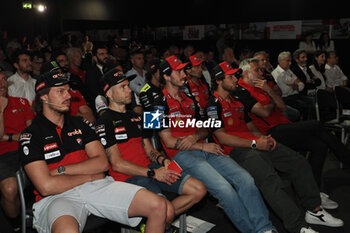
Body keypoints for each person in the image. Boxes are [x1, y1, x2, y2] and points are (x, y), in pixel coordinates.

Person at [18, 67, 168, 233]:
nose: (68, 96)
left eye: (68, 91)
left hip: (97, 186)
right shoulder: (31, 135)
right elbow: (46, 186)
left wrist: (61, 171)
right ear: (44, 97)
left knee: (159, 206)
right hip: (58, 197)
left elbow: (102, 163)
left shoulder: (81, 123)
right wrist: (89, 176)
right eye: (61, 91)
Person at [206, 61, 343, 233]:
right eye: (231, 76)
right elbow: (221, 136)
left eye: (236, 75)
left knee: (298, 162)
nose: (236, 78)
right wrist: (255, 143)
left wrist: (263, 138)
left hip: (254, 143)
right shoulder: (212, 105)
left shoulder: (236, 100)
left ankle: (314, 210)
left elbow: (250, 127)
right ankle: (297, 226)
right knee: (270, 179)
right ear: (219, 80)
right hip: (235, 151)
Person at [154, 55, 277, 233]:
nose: (183, 74)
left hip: (205, 148)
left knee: (246, 180)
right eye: (178, 71)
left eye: (183, 70)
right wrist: (201, 145)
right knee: (225, 189)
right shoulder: (156, 104)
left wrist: (196, 136)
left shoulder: (189, 99)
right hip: (181, 156)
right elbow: (168, 141)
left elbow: (208, 127)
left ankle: (265, 228)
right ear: (166, 76)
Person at [96, 68, 206, 226]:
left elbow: (149, 149)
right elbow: (117, 164)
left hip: (151, 168)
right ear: (110, 94)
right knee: (164, 210)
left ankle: (152, 223)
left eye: (128, 85)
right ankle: (158, 221)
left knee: (199, 189)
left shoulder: (136, 116)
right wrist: (153, 173)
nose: (129, 90)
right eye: (123, 87)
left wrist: (163, 161)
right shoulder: (104, 121)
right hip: (128, 177)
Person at [236, 58, 350, 196]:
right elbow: (265, 112)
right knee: (316, 124)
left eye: (261, 69)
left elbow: (282, 107)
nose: (261, 73)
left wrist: (269, 91)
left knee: (319, 145)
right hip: (270, 132)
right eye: (257, 70)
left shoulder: (261, 87)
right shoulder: (242, 90)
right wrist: (272, 101)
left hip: (283, 126)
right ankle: (346, 159)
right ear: (246, 73)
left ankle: (314, 190)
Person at [0, 72, 35, 232]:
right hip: (3, 155)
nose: (2, 82)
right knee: (10, 189)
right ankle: (16, 225)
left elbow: (30, 132)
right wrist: (1, 110)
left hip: (28, 149)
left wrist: (6, 137)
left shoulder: (22, 101)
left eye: (3, 78)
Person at [272, 51, 310, 119]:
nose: (290, 63)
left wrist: (291, 85)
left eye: (290, 61)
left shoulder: (289, 71)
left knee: (310, 103)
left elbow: (301, 85)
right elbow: (284, 91)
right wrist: (295, 85)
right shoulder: (276, 74)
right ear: (280, 61)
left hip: (295, 96)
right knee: (304, 106)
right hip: (286, 99)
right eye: (288, 61)